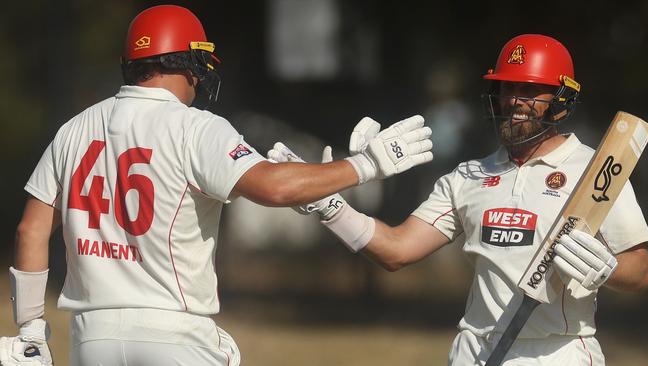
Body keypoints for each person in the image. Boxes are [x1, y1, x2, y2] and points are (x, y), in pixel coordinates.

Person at [0, 5, 434, 366]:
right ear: (190, 65)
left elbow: (31, 231)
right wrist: (366, 164)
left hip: (90, 338)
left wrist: (32, 328)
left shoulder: (74, 129)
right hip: (174, 333)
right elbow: (273, 188)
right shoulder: (195, 127)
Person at [268, 34, 648, 365]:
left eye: (530, 90)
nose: (515, 101)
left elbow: (643, 269)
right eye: (507, 88)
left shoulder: (596, 171)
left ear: (562, 99)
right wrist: (329, 204)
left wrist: (609, 270)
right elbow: (396, 250)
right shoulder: (468, 176)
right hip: (476, 350)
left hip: (558, 353)